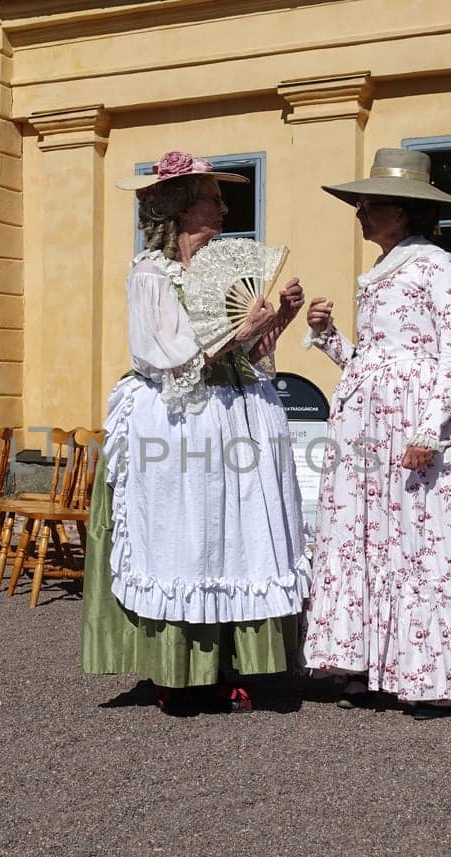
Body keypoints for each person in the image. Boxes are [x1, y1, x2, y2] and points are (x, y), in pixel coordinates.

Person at [81, 150, 310, 714]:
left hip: (238, 415)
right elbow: (166, 359)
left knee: (239, 537)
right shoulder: (151, 274)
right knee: (187, 537)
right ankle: (181, 669)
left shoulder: (227, 272)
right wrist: (240, 331)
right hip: (181, 420)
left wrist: (275, 321)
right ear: (182, 207)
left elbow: (255, 360)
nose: (225, 206)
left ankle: (233, 662)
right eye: (213, 196)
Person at [300, 147, 451, 716]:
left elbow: (449, 359)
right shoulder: (378, 272)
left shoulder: (440, 267)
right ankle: (375, 664)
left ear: (406, 211)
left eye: (372, 204)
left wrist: (431, 432)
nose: (360, 212)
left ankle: (434, 673)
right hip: (372, 430)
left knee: (421, 547)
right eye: (359, 204)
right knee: (373, 543)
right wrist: (329, 335)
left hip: (417, 429)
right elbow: (375, 364)